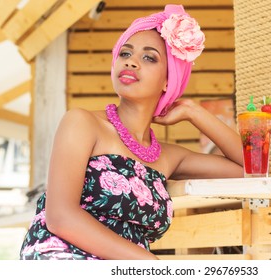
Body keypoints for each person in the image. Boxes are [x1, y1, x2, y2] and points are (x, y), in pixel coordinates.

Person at [19, 4, 243, 260]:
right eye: (125, 53)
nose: (131, 62)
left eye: (149, 57)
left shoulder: (169, 157)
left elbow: (249, 171)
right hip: (60, 259)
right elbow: (60, 217)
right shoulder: (81, 123)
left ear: (168, 80)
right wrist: (150, 264)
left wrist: (193, 111)